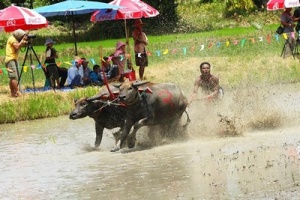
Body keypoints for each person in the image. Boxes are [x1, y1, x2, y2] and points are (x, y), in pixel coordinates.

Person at [5, 29, 28, 97]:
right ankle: (17, 92)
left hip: (13, 59)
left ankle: (12, 93)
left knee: (13, 77)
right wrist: (22, 41)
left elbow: (19, 46)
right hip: (10, 59)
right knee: (13, 77)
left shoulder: (15, 39)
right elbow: (17, 46)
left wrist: (26, 42)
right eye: (21, 36)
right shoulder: (12, 39)